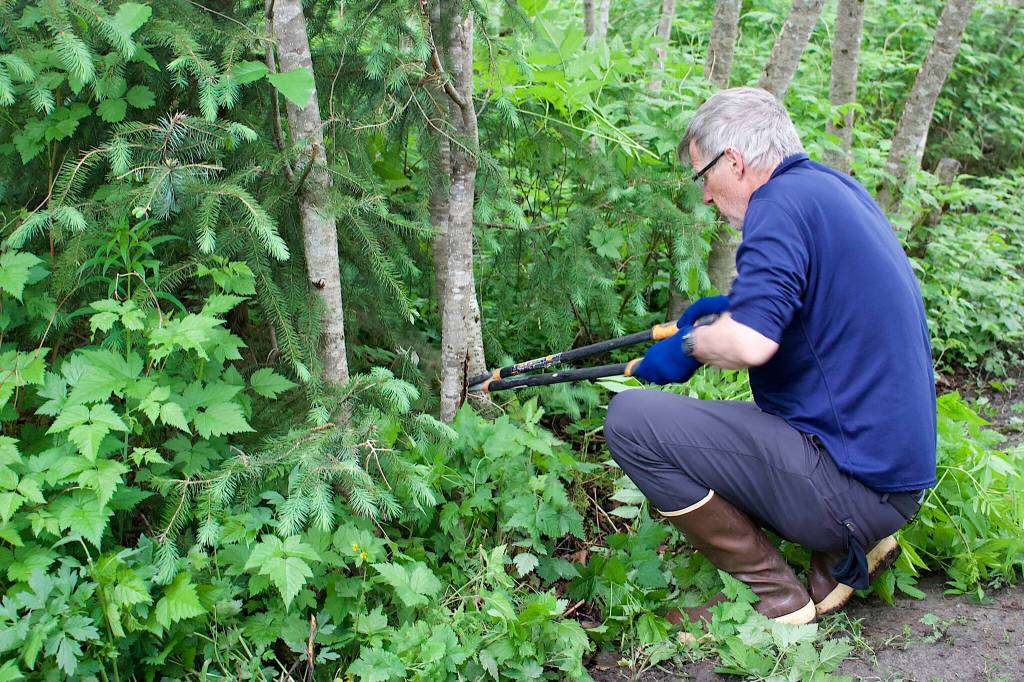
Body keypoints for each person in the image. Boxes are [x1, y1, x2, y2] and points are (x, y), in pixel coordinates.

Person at [605, 87, 936, 627]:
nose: (706, 198)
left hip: (855, 486)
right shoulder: (832, 190)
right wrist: (729, 309)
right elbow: (820, 303)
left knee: (631, 420)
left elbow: (752, 344)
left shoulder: (775, 206)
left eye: (702, 177)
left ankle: (778, 598)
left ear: (732, 161)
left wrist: (691, 345)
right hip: (891, 477)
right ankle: (854, 544)